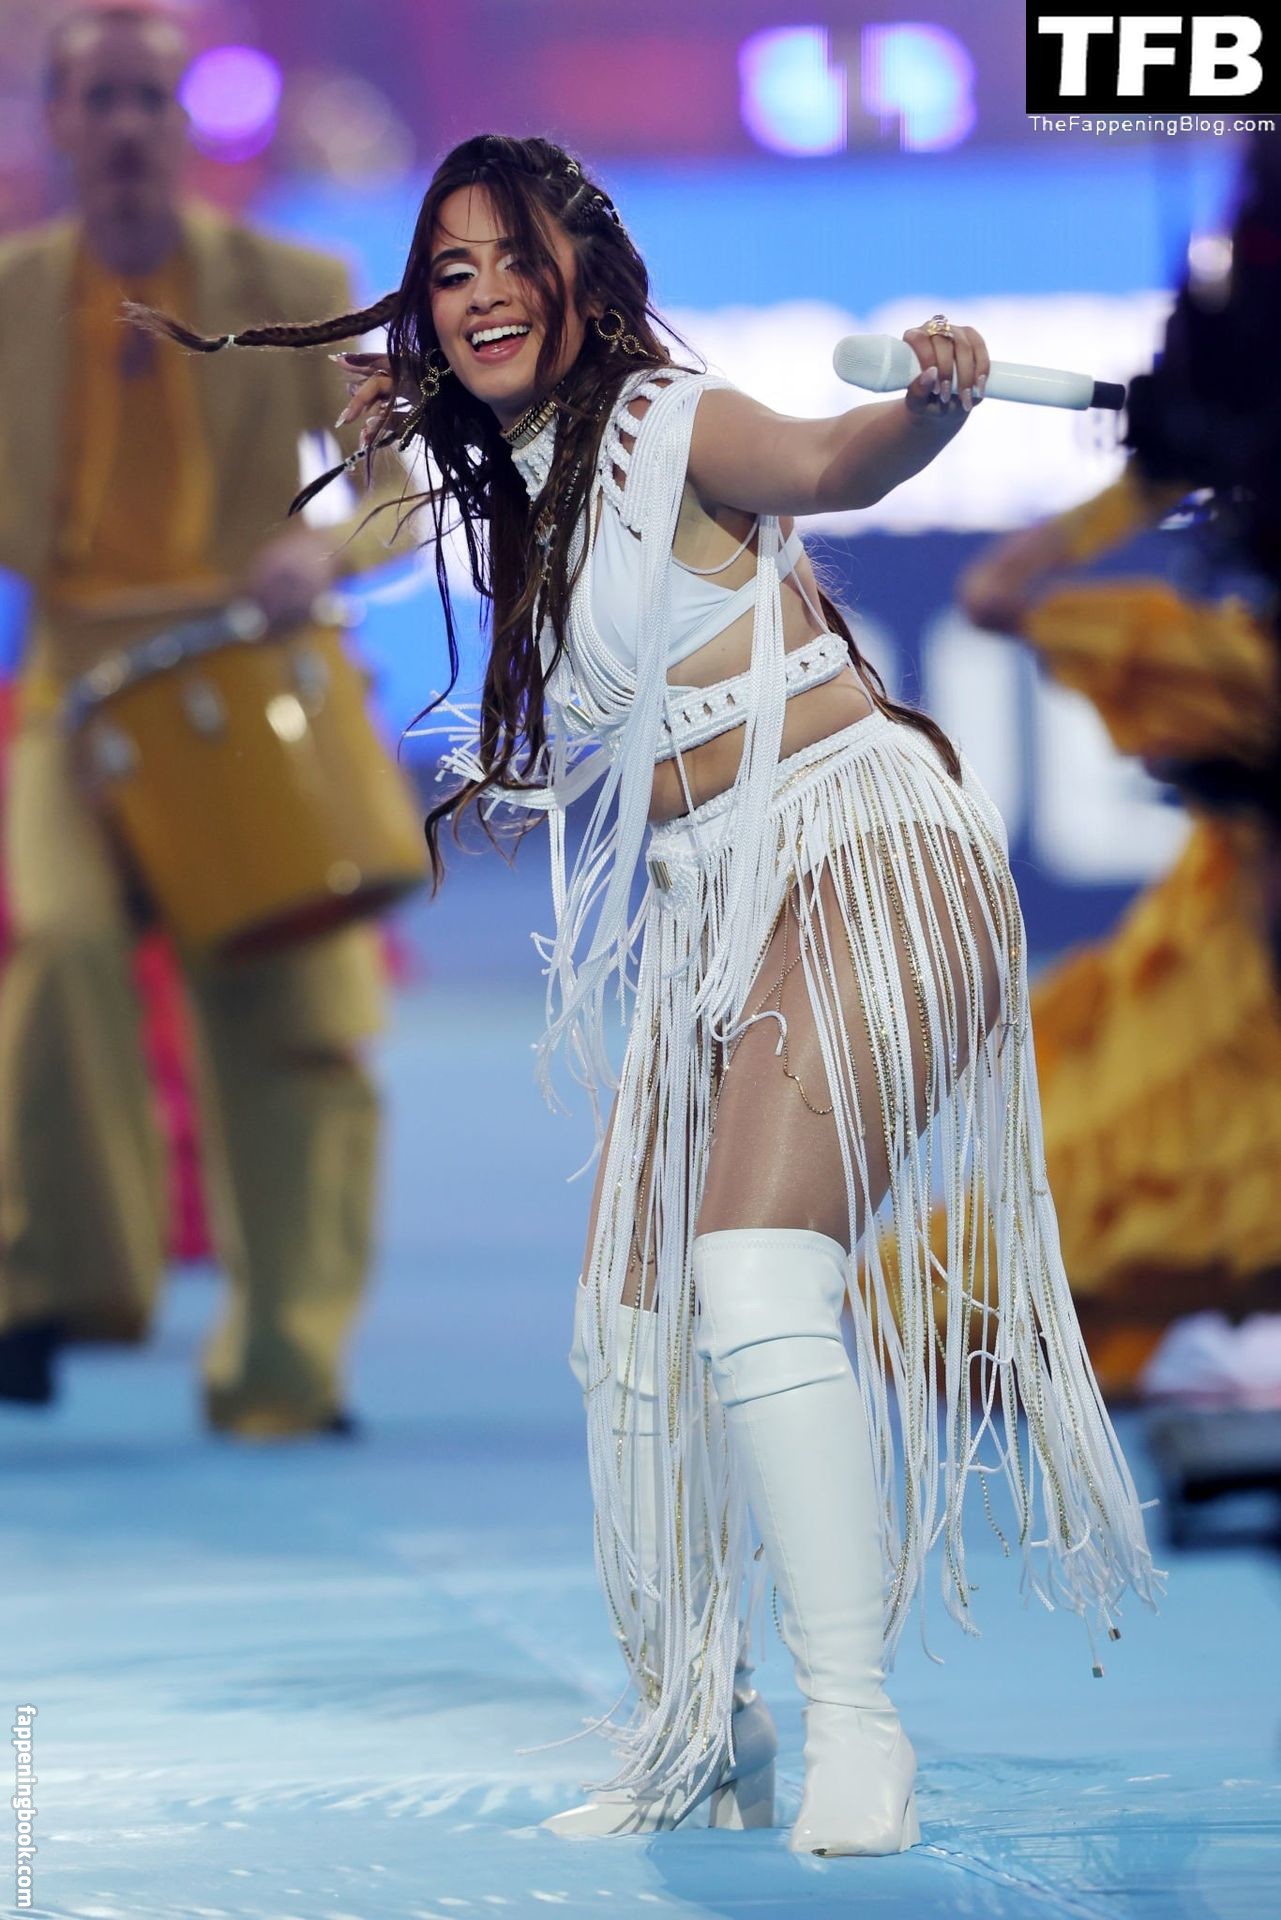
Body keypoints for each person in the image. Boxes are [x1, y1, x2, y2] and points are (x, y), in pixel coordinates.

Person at [142, 132, 1162, 1854]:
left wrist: (929, 406)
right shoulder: (518, 479)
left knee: (754, 1270)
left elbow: (832, 460)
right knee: (628, 1331)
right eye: (447, 270)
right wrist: (377, 438)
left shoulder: (662, 419)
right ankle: (706, 1723)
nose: (479, 294)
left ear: (584, 278)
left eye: (509, 261)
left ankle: (858, 1727)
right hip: (712, 910)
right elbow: (381, 500)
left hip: (860, 852)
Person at [0, 3, 410, 1432]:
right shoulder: (6, 299)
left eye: (150, 102)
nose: (125, 127)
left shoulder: (296, 285)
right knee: (59, 945)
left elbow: (402, 488)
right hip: (77, 702)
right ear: (58, 121)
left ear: (185, 126)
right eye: (99, 99)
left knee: (295, 1008)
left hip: (254, 687)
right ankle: (57, 1282)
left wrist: (325, 549)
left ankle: (287, 1362)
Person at [955, 128, 1281, 1406]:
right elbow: (1179, 448)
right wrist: (1034, 564)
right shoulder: (1243, 295)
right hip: (1264, 708)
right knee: (1227, 986)